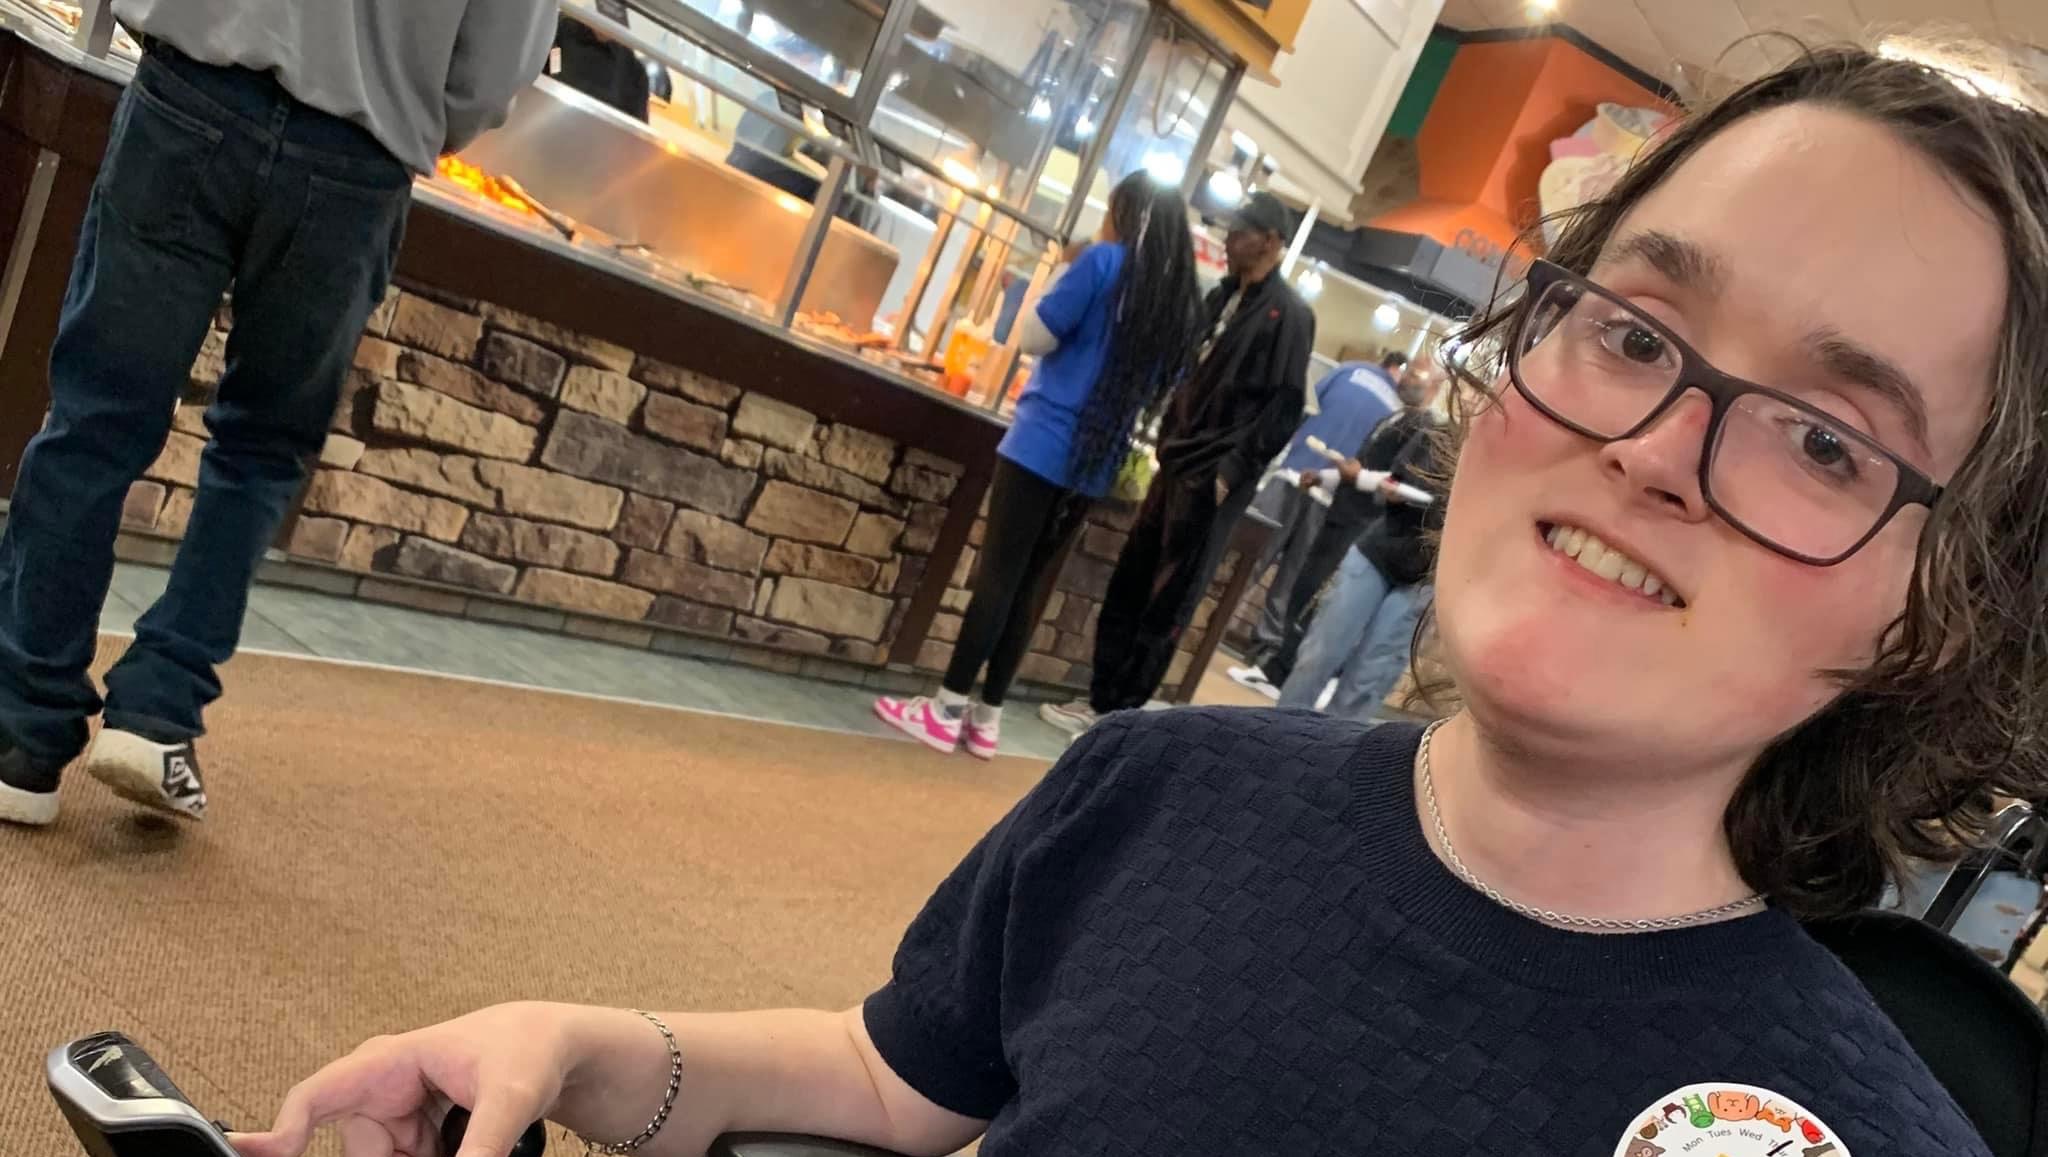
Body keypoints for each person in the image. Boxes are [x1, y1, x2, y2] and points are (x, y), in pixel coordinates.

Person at [233, 45, 2047, 1157]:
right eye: (1633, 333)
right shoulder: (1160, 786)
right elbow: (893, 1079)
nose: (1652, 448)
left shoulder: (1849, 1134)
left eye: (1823, 442)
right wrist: (581, 1050)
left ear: (1939, 614)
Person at [0, 0, 557, 828]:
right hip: (356, 158)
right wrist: (402, 106)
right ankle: (159, 712)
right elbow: (494, 68)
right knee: (259, 448)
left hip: (190, 90)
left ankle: (19, 730)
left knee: (97, 417)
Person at [874, 173, 1203, 757]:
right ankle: (987, 717)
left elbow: (1032, 337)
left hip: (1041, 441)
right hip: (1095, 461)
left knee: (997, 576)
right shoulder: (1176, 306)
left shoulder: (1100, 263)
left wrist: (1063, 270)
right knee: (1029, 586)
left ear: (1123, 213)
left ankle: (947, 708)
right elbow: (1168, 382)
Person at [1040, 191, 1316, 733]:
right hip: (1175, 460)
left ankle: (1119, 713)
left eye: (1242, 232)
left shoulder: (1289, 315)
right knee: (1132, 578)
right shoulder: (1222, 297)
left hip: (1212, 477)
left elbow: (1284, 409)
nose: (1230, 239)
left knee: (1169, 596)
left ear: (1271, 241)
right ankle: (1101, 700)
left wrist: (1229, 472)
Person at [1230, 362, 1436, 693]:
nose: (1409, 378)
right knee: (1302, 587)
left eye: (1419, 377)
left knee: (1315, 595)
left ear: (1435, 387)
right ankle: (1275, 668)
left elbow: (1397, 481)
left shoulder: (1421, 428)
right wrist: (1325, 476)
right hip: (1340, 513)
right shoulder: (1395, 418)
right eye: (1409, 371)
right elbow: (1359, 465)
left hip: (1361, 524)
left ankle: (1283, 673)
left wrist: (1357, 475)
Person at [1274, 420, 1443, 719]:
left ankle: (1338, 746)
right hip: (1378, 549)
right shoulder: (1432, 434)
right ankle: (1280, 729)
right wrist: (1385, 489)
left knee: (1370, 677)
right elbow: (1390, 480)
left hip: (1425, 575)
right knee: (1321, 653)